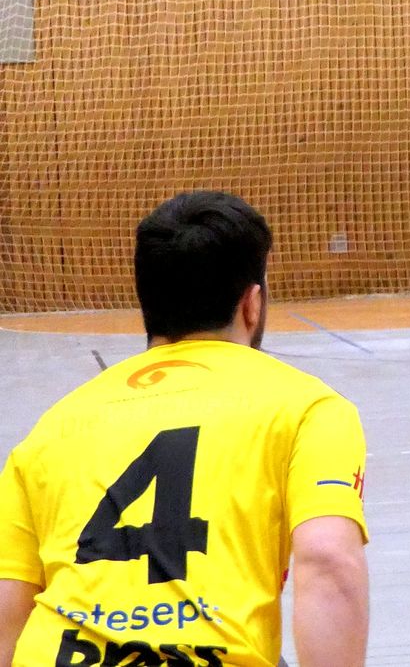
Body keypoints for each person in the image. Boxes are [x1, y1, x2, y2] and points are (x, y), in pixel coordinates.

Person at [0, 191, 369, 667]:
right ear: (252, 304)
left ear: (148, 303)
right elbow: (329, 562)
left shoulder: (53, 426)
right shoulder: (308, 407)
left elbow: (8, 612)